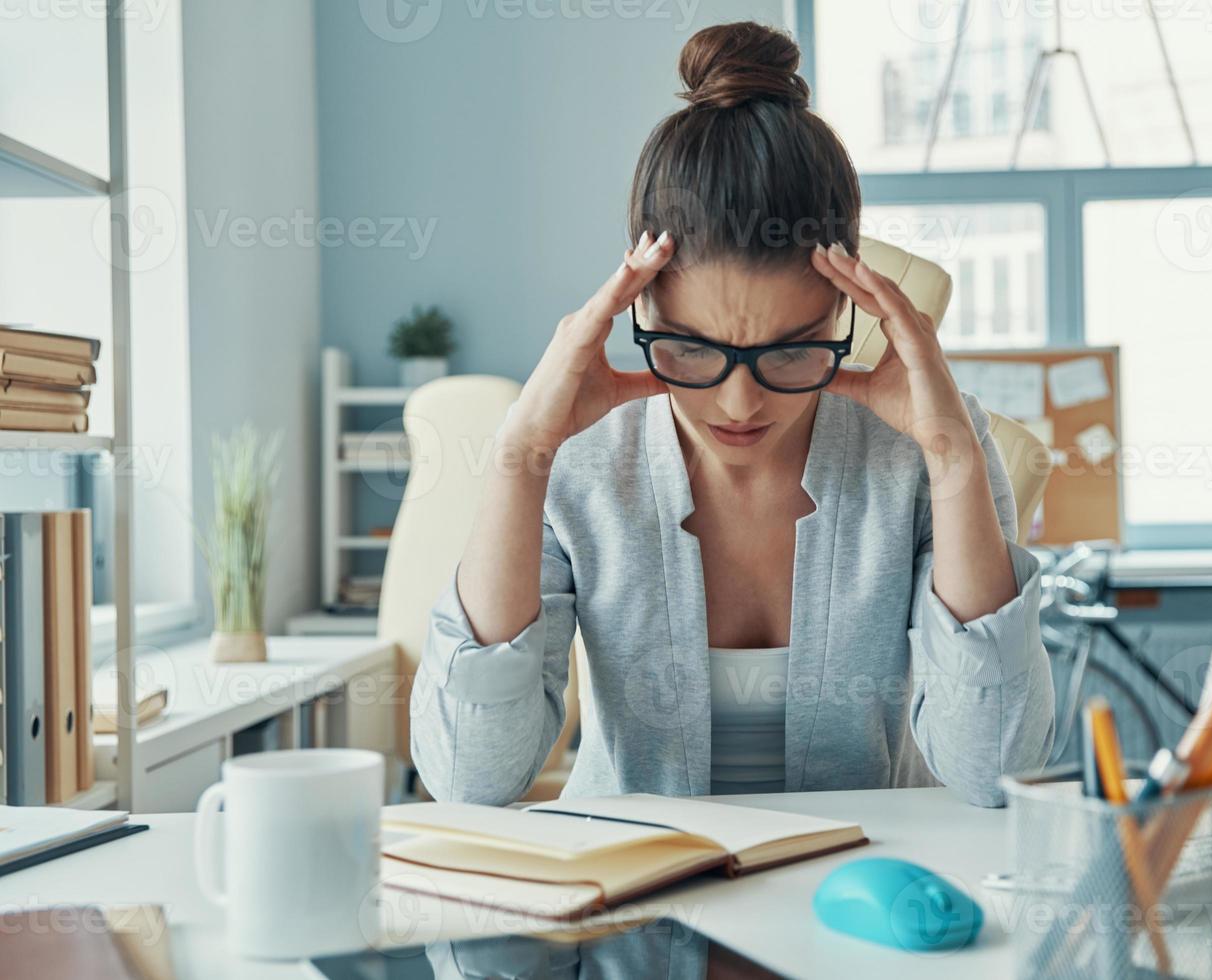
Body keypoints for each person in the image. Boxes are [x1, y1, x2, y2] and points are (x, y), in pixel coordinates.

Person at [411, 21, 1054, 808]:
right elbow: (469, 779)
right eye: (690, 349)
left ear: (847, 312)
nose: (739, 402)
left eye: (791, 352)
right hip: (640, 906)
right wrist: (521, 456)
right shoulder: (577, 457)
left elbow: (993, 771)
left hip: (859, 903)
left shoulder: (924, 445)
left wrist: (953, 459)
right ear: (636, 302)